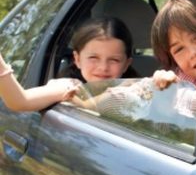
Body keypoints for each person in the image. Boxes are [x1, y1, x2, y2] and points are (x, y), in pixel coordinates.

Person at [0, 16, 136, 112]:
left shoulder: (137, 89)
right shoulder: (70, 87)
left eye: (114, 60)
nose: (103, 67)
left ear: (126, 64)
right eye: (93, 57)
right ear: (77, 59)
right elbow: (20, 101)